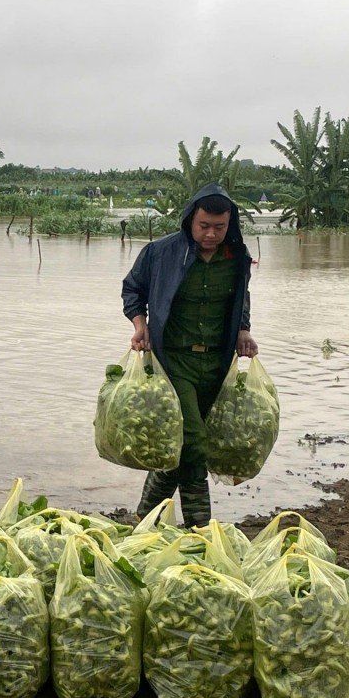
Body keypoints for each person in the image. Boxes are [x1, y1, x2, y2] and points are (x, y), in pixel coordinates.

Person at [121, 182, 258, 527]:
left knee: (178, 444)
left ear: (230, 224)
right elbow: (132, 289)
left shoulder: (237, 257)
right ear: (189, 220)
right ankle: (200, 527)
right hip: (173, 361)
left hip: (216, 362)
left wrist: (243, 330)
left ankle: (145, 517)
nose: (211, 234)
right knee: (194, 442)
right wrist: (140, 325)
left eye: (219, 227)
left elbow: (241, 298)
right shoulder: (161, 252)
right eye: (204, 226)